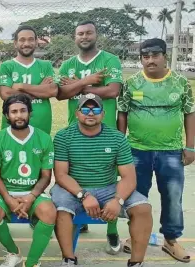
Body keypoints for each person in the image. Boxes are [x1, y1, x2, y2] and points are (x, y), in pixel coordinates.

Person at [51, 93, 152, 267]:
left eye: (96, 108)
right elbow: (61, 175)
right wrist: (83, 195)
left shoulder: (117, 138)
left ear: (103, 114)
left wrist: (117, 200)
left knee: (143, 208)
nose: (91, 113)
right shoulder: (63, 136)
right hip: (73, 188)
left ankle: (136, 262)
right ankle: (69, 259)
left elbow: (129, 177)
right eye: (85, 109)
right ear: (77, 113)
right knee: (61, 207)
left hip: (108, 187)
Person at [117, 38, 193, 263]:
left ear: (164, 56)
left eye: (155, 55)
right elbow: (122, 114)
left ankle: (171, 240)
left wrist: (190, 146)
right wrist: (121, 147)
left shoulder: (180, 82)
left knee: (172, 196)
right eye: (145, 56)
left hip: (170, 151)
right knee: (136, 196)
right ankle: (135, 237)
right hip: (136, 151)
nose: (150, 60)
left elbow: (190, 113)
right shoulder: (131, 84)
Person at [57, 20, 123, 248]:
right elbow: (61, 94)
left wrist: (79, 86)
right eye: (80, 34)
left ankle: (112, 229)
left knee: (108, 178)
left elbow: (113, 90)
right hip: (75, 130)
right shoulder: (68, 64)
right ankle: (81, 217)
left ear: (96, 35)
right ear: (75, 38)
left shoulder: (110, 60)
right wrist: (87, 82)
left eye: (88, 33)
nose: (84, 37)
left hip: (105, 132)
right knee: (75, 176)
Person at [0, 93, 56, 267]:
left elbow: (46, 176)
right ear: (6, 115)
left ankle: (32, 262)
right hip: (4, 191)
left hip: (32, 192)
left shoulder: (44, 138)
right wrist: (9, 200)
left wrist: (31, 197)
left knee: (49, 212)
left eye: (23, 111)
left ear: (30, 113)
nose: (19, 115)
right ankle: (14, 252)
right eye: (14, 112)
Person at [0, 26, 57, 134]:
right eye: (22, 40)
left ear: (36, 42)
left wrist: (22, 86)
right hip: (12, 128)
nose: (27, 43)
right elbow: (6, 94)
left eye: (30, 39)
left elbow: (52, 91)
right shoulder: (6, 66)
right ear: (15, 43)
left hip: (41, 126)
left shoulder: (46, 65)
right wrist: (40, 89)